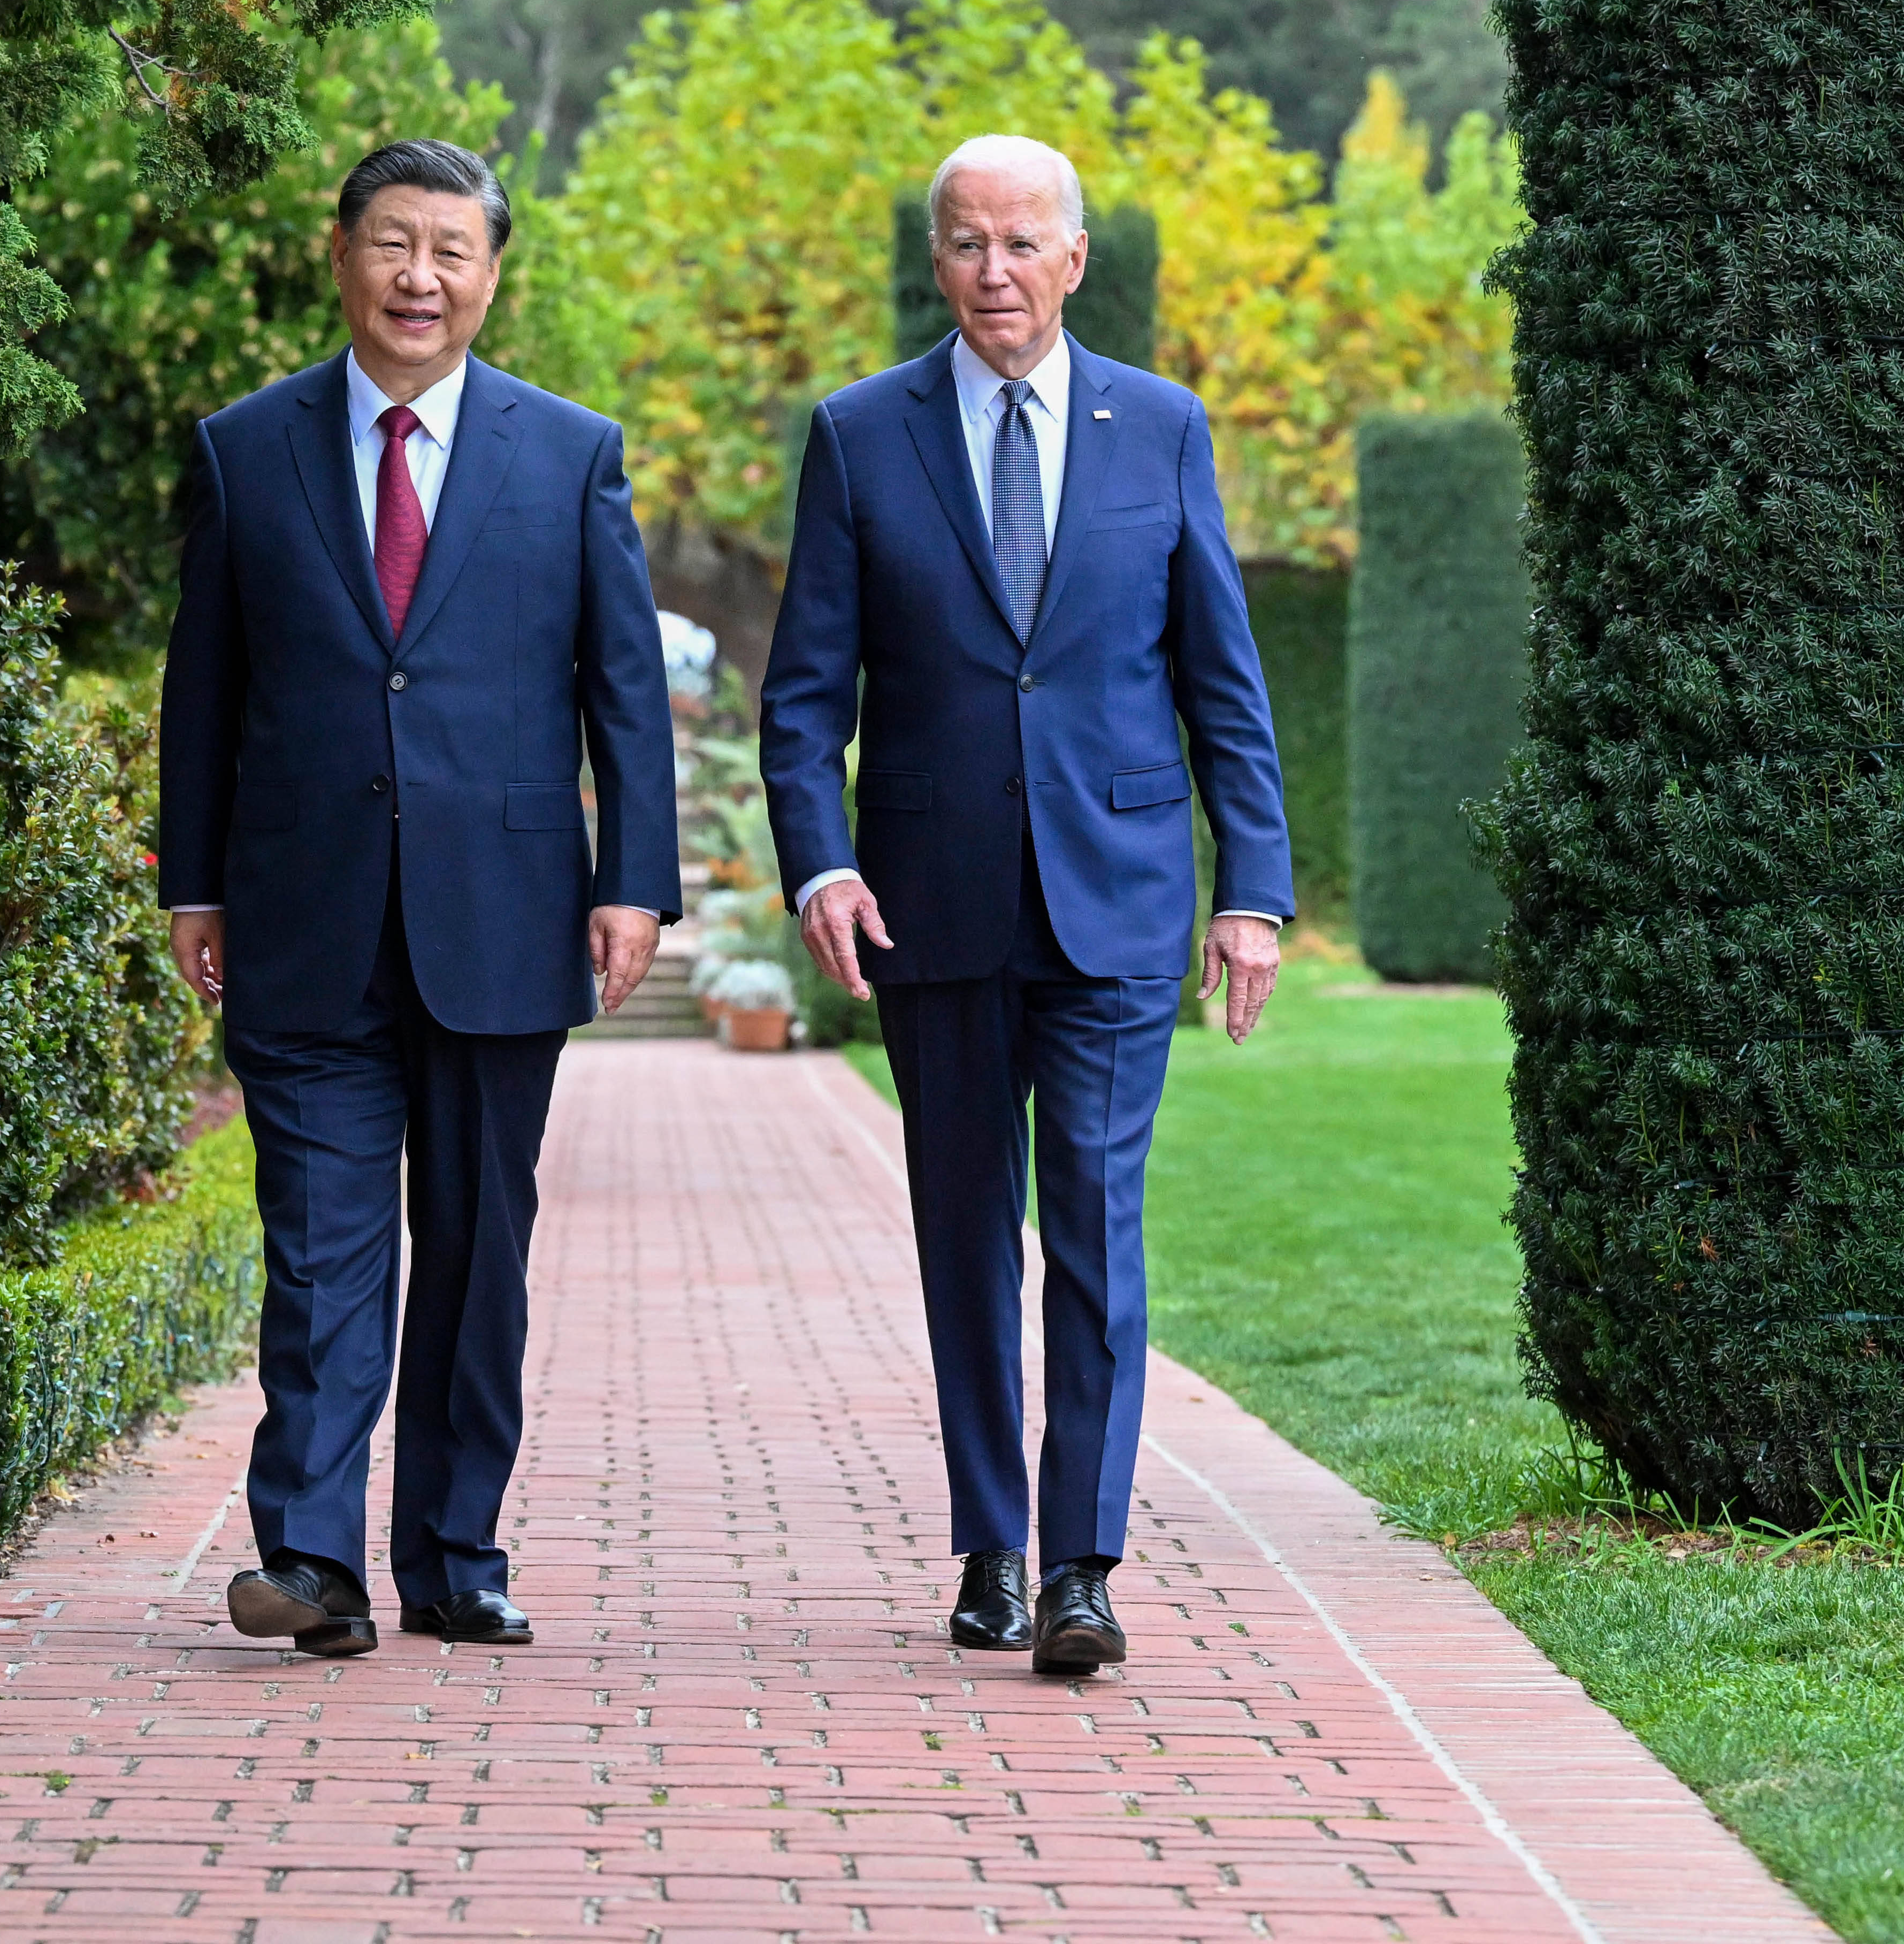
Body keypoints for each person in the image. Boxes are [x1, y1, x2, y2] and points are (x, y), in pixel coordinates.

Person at [760, 131, 1292, 1675]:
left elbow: (1223, 686)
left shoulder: (1163, 428)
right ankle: (989, 1546)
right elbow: (805, 696)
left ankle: (1081, 1565)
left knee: (1097, 1236)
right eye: (965, 244)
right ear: (938, 262)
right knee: (964, 1234)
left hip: (1119, 902)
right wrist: (822, 857)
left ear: (1074, 260)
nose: (995, 272)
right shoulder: (862, 436)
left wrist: (1249, 889)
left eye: (1022, 243)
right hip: (930, 905)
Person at [158, 137, 680, 1658]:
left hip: (505, 914)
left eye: (451, 251)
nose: (420, 278)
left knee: (472, 1250)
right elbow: (208, 689)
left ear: (491, 276)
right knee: (321, 1249)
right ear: (341, 254)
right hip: (302, 913)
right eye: (394, 244)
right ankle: (310, 1561)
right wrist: (193, 876)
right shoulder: (245, 449)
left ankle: (455, 1553)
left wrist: (632, 882)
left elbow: (624, 689)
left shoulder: (568, 450)